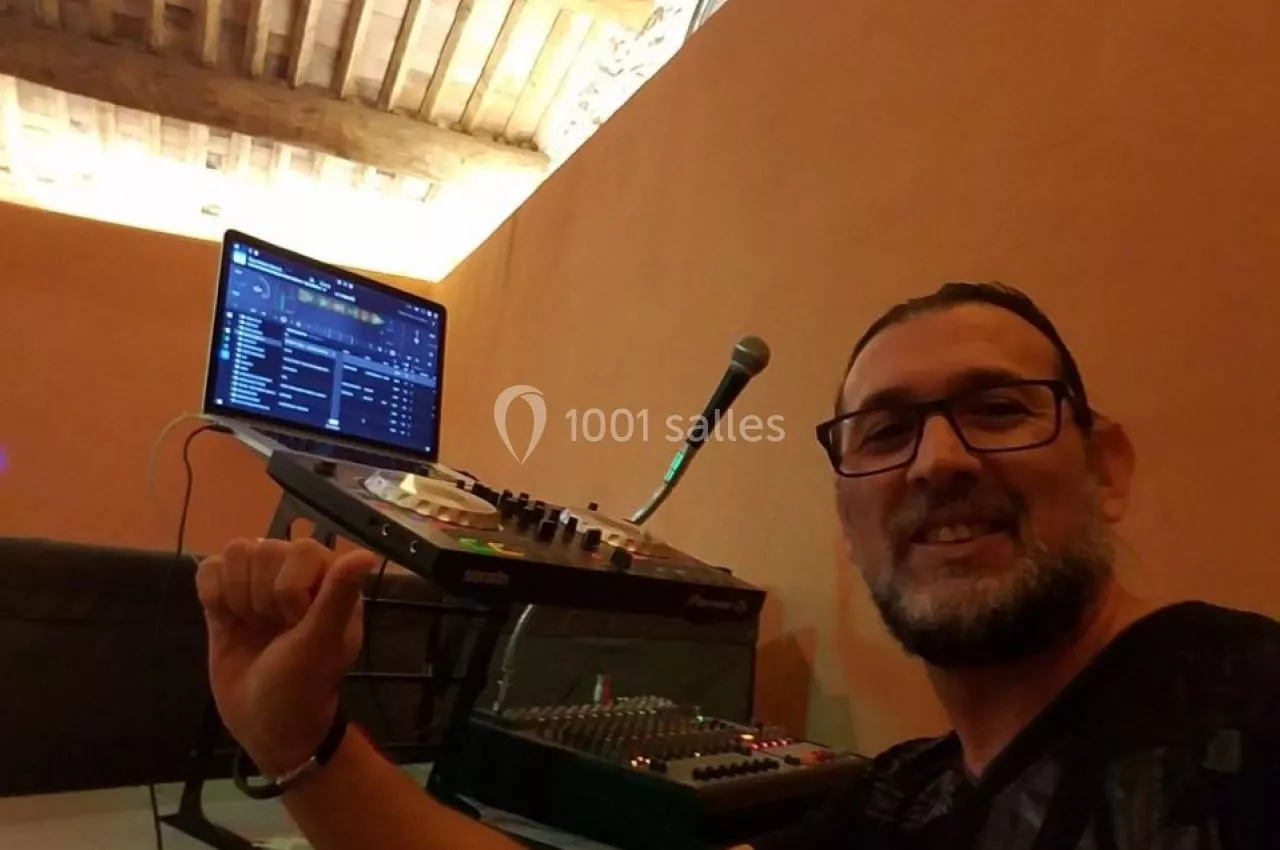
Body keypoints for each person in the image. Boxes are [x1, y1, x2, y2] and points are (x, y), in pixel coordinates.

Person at [195, 282, 1280, 850]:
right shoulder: (900, 799)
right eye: (884, 432)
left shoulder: (1249, 704)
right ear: (848, 517)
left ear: (1105, 467)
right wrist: (300, 743)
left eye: (997, 409)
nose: (937, 461)